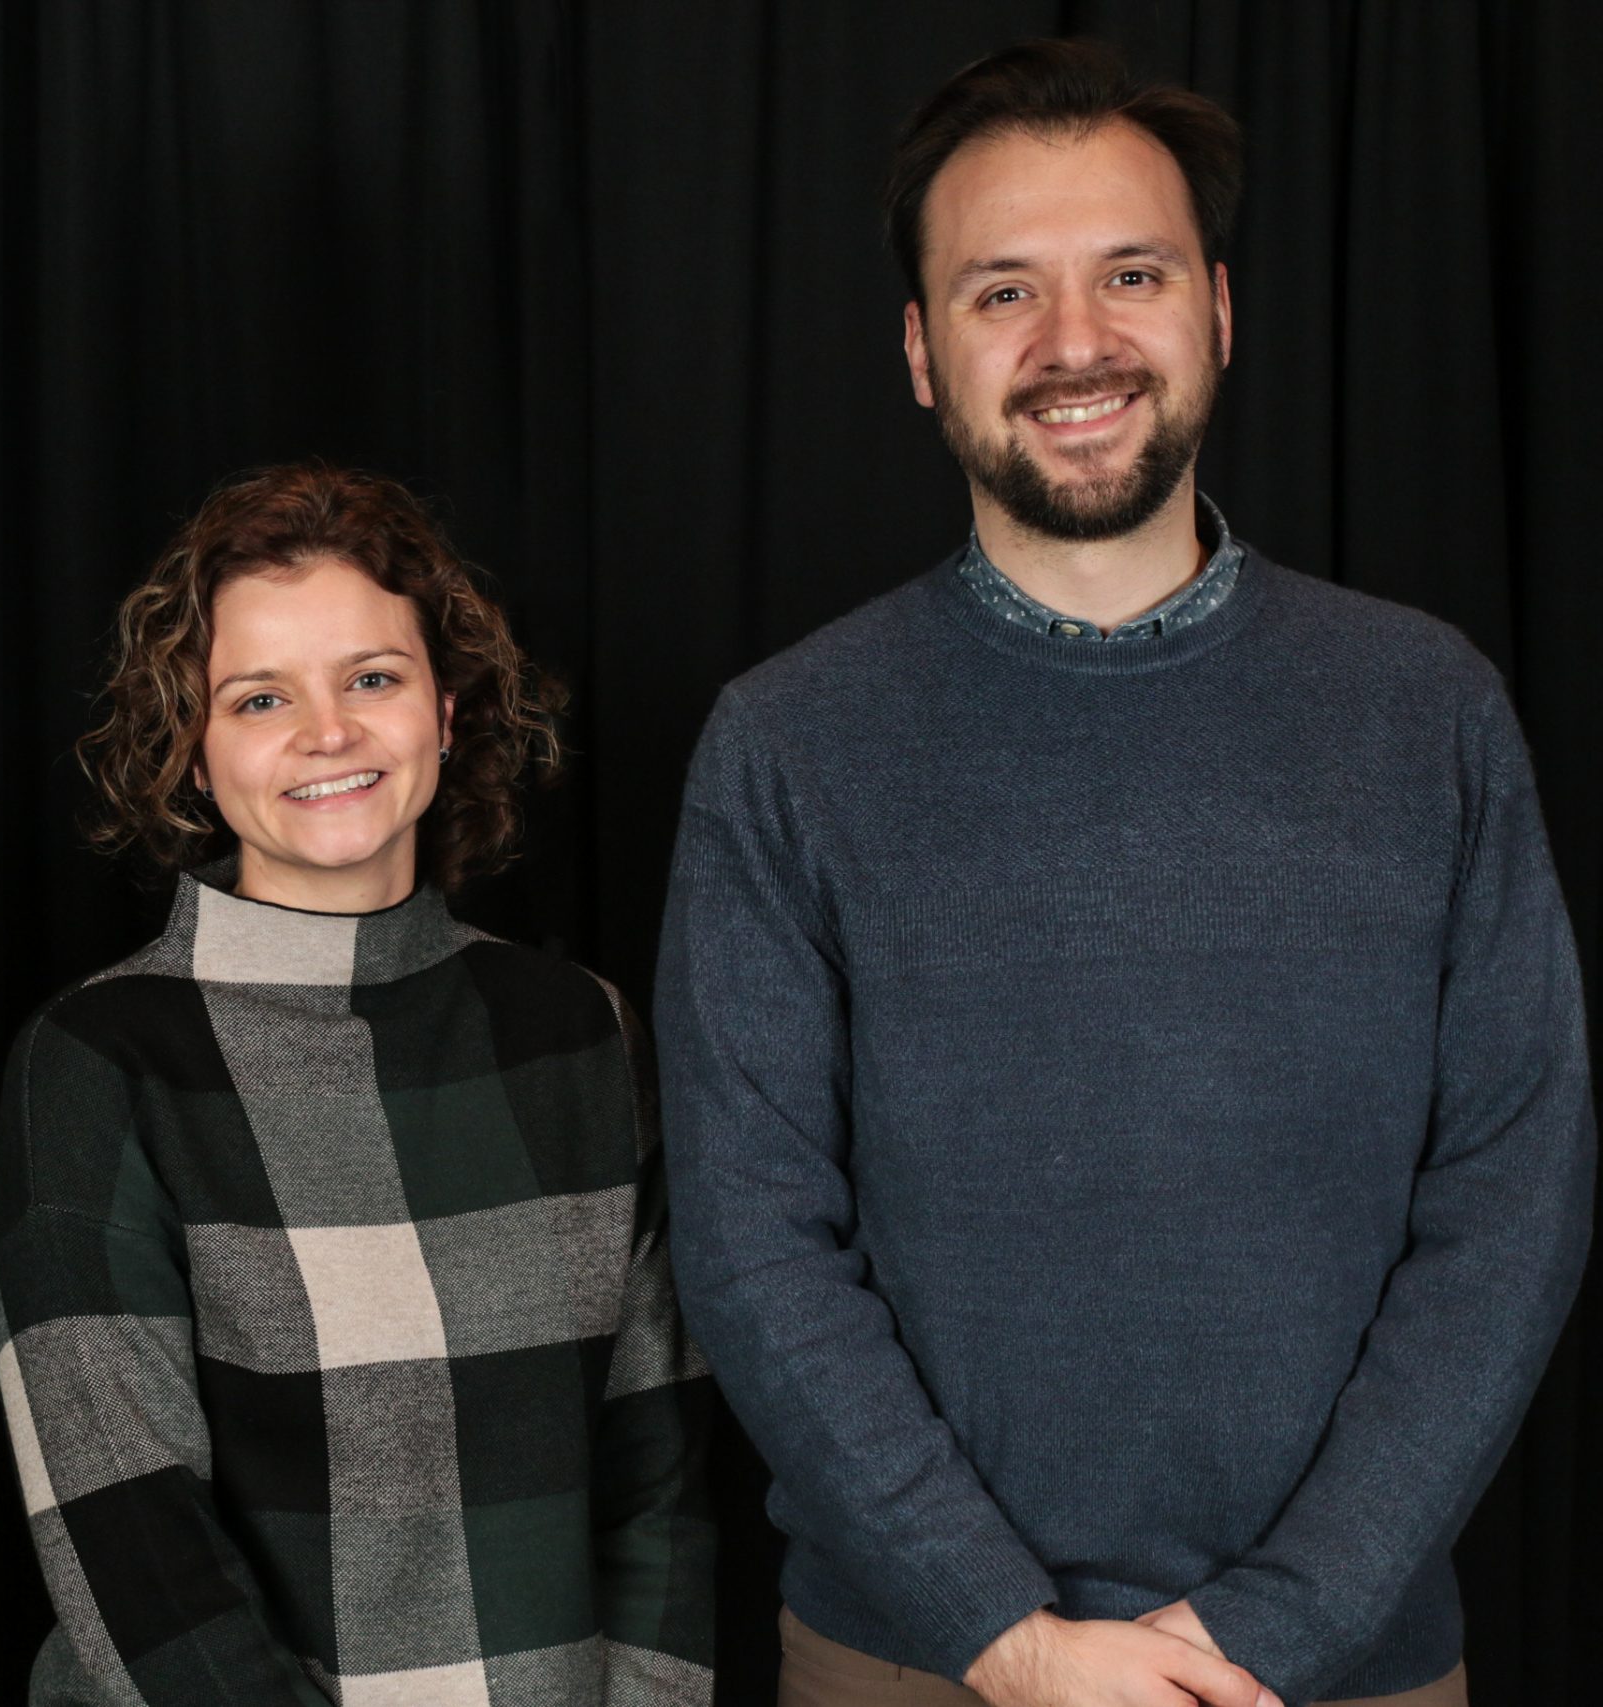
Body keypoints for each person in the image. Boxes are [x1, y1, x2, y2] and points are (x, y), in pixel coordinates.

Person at [656, 39, 1591, 1707]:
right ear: (921, 352)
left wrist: (1282, 1621)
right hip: (918, 1664)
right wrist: (1006, 1635)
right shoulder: (787, 745)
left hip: (1340, 1671)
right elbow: (751, 1240)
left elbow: (1514, 1195)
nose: (1074, 341)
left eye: (1132, 274)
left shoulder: (1427, 709)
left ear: (1218, 312)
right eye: (1003, 289)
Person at [0, 462, 716, 1705]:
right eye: (260, 698)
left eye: (372, 678)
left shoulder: (580, 1033)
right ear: (195, 754)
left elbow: (659, 1477)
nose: (327, 733)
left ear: (446, 710)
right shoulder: (98, 1061)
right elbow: (128, 1542)